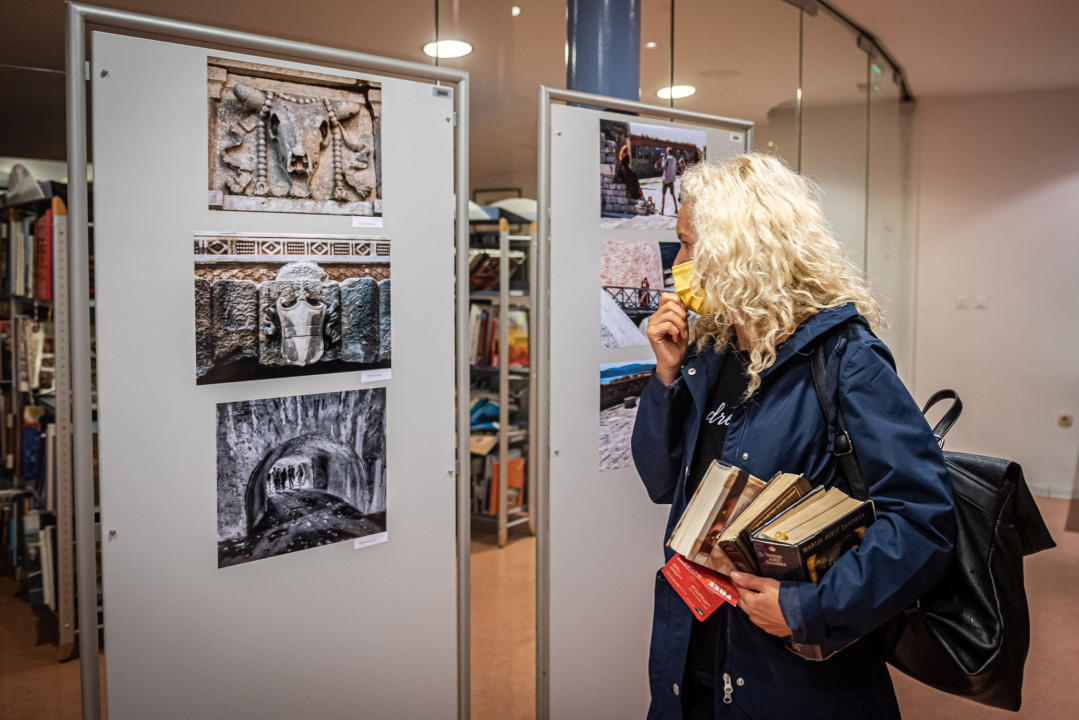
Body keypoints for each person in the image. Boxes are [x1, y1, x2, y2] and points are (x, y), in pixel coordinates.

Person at [632, 153, 954, 720]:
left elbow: (923, 521)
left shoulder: (847, 360)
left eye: (688, 246)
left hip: (792, 676)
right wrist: (663, 379)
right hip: (693, 655)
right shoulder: (708, 353)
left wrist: (810, 606)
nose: (677, 264)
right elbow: (662, 481)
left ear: (740, 250)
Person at [660, 147, 679, 216]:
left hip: (666, 180)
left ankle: (662, 210)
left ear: (668, 152)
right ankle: (676, 209)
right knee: (673, 194)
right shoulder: (674, 159)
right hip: (672, 179)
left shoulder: (667, 158)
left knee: (663, 195)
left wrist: (662, 160)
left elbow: (663, 166)